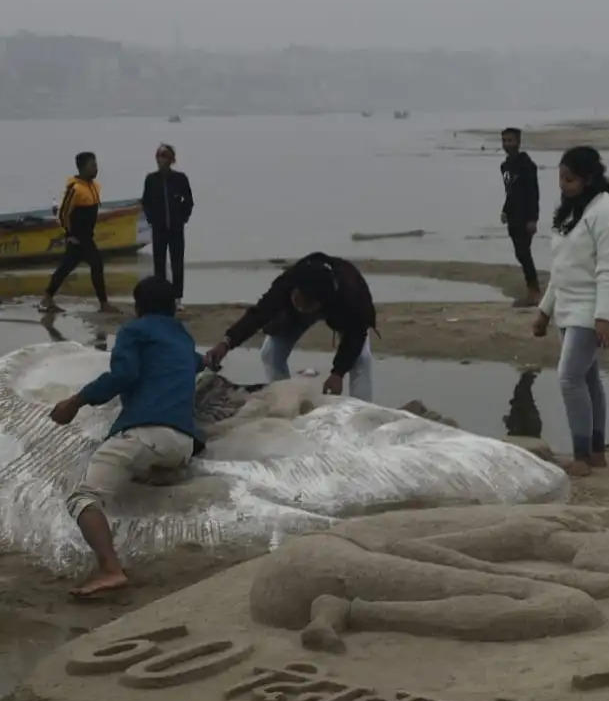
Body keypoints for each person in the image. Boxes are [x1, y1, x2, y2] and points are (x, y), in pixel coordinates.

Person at [49, 276, 207, 597]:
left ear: (137, 308)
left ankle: (110, 569)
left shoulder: (133, 331)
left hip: (148, 432)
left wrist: (75, 402)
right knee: (143, 462)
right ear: (173, 308)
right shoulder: (183, 338)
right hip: (184, 442)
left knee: (82, 498)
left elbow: (124, 374)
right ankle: (159, 470)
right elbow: (194, 365)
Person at [532, 146, 609, 478]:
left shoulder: (607, 214)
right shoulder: (572, 212)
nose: (562, 185)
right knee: (587, 378)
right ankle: (597, 452)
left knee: (569, 377)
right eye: (560, 178)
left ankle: (582, 456)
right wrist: (545, 311)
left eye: (569, 179)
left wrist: (604, 317)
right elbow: (561, 270)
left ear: (588, 179)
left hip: (591, 308)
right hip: (568, 308)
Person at [204, 252, 377, 400]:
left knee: (361, 360)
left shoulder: (353, 296)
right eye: (297, 301)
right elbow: (259, 314)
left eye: (306, 306)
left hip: (344, 312)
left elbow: (356, 335)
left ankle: (362, 413)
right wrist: (227, 342)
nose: (301, 307)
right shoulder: (289, 282)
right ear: (293, 291)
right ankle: (286, 400)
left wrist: (338, 373)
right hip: (293, 315)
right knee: (270, 354)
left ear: (320, 305)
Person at [40, 151, 113, 313]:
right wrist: (69, 235)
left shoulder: (94, 186)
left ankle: (47, 298)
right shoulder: (75, 188)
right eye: (92, 166)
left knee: (66, 268)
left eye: (96, 165)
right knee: (95, 265)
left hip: (87, 237)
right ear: (82, 168)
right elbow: (63, 213)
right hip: (78, 238)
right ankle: (104, 304)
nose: (96, 169)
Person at [140, 143, 195, 306]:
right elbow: (146, 202)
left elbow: (189, 201)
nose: (161, 159)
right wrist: (151, 219)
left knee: (177, 263)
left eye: (164, 156)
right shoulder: (151, 179)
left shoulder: (180, 178)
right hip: (159, 228)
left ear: (171, 160)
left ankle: (177, 298)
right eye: (159, 156)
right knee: (159, 264)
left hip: (176, 228)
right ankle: (161, 299)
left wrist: (183, 218)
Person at [499, 127, 542, 308]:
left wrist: (533, 219)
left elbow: (533, 192)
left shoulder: (526, 165)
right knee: (520, 253)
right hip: (513, 216)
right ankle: (533, 290)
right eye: (504, 140)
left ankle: (534, 293)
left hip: (526, 216)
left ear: (518, 142)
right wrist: (505, 210)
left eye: (510, 140)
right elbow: (510, 192)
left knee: (524, 253)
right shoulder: (505, 166)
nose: (507, 144)